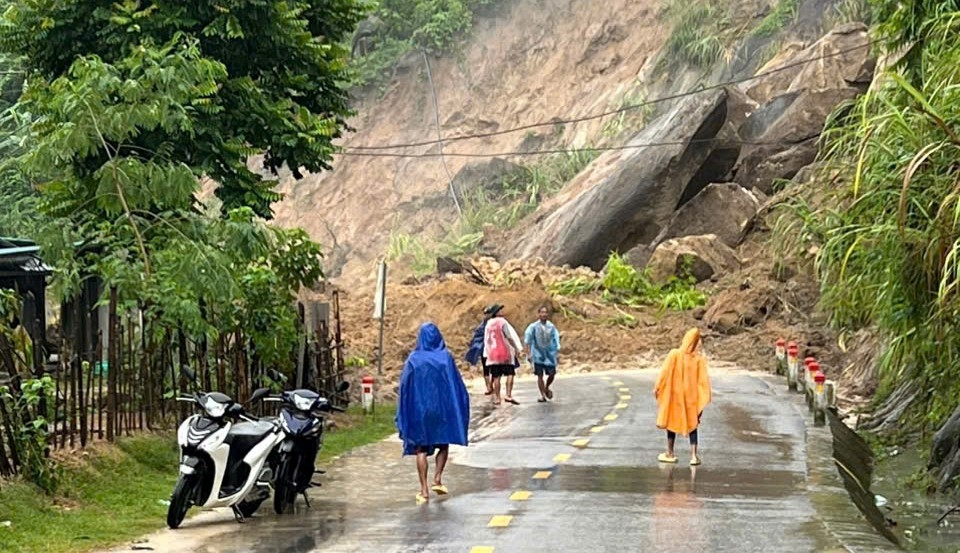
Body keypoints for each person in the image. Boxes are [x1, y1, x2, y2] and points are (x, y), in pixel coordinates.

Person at [396, 323, 470, 504]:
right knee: (443, 444)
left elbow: (405, 386)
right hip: (442, 409)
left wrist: (404, 409)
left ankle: (424, 489)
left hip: (420, 410)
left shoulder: (414, 359)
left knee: (421, 448)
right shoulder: (446, 358)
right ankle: (437, 478)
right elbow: (456, 385)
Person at [654, 327, 712, 466]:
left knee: (671, 423)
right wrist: (703, 397)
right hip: (692, 399)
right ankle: (693, 456)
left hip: (675, 396)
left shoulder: (674, 355)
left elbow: (664, 372)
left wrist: (657, 387)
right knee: (693, 425)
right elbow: (703, 382)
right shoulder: (699, 360)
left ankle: (670, 453)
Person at [482, 303, 523, 406]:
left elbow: (486, 340)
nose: (502, 312)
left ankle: (497, 398)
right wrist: (516, 348)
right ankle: (508, 395)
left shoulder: (488, 324)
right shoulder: (502, 322)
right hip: (504, 352)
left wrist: (487, 352)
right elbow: (509, 336)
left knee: (496, 376)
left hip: (493, 354)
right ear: (497, 313)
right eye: (500, 310)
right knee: (510, 373)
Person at [524, 306, 561, 402]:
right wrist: (528, 354)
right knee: (539, 375)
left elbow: (556, 338)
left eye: (546, 312)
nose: (544, 314)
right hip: (537, 355)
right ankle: (543, 395)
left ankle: (547, 387)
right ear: (539, 314)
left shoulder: (551, 327)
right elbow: (527, 340)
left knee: (552, 374)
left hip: (549, 355)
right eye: (542, 312)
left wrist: (557, 350)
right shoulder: (533, 327)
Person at [465, 305, 495, 395]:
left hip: (494, 350)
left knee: (494, 369)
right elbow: (476, 338)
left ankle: (491, 385)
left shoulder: (494, 324)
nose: (487, 315)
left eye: (489, 313)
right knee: (486, 369)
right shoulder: (481, 327)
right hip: (484, 351)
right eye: (486, 314)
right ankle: (488, 387)